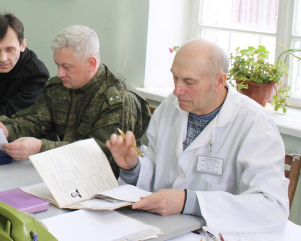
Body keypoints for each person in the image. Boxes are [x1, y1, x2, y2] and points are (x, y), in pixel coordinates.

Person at [106, 39, 289, 233]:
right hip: (164, 228)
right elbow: (159, 174)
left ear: (219, 81)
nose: (177, 90)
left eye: (189, 82)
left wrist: (188, 201)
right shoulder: (170, 107)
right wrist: (133, 167)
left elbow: (272, 207)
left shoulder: (254, 123)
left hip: (219, 234)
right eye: (175, 78)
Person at [0, 25, 151, 176]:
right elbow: (36, 119)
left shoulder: (120, 101)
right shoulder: (60, 87)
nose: (59, 73)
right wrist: (7, 129)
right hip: (65, 176)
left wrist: (40, 148)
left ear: (91, 63)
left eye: (67, 67)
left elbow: (98, 154)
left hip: (108, 186)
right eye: (57, 65)